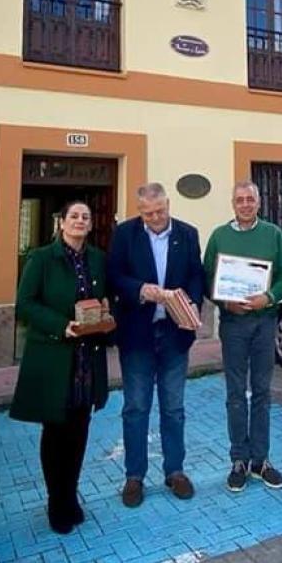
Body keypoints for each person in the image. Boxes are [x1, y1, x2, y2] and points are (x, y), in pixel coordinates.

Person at [9, 201, 117, 533]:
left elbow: (105, 298)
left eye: (85, 217)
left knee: (79, 433)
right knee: (55, 433)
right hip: (56, 359)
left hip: (87, 361)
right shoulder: (41, 259)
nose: (80, 221)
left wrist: (106, 315)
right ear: (62, 223)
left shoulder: (97, 258)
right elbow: (24, 304)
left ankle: (71, 497)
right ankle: (56, 503)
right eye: (74, 216)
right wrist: (61, 324)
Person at [108, 182, 205, 508]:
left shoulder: (188, 234)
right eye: (148, 213)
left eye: (160, 211)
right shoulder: (125, 234)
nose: (155, 218)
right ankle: (134, 476)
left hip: (175, 334)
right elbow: (114, 276)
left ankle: (175, 471)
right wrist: (140, 289)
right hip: (137, 335)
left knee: (174, 409)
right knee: (136, 407)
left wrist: (188, 305)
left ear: (169, 204)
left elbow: (196, 275)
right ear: (139, 211)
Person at [203, 180, 282, 492]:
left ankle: (261, 461)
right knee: (235, 394)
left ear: (258, 203)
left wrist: (268, 297)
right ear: (233, 203)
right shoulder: (219, 236)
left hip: (265, 322)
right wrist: (223, 301)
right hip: (233, 324)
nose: (245, 204)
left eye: (250, 199)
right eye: (239, 199)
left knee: (263, 392)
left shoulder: (273, 234)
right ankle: (238, 460)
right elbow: (206, 279)